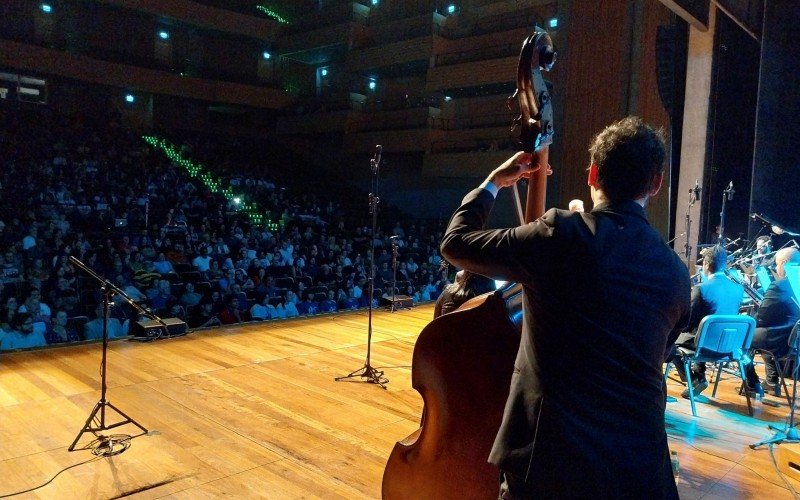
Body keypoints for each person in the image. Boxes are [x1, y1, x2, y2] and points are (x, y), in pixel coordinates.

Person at [440, 117, 690, 498]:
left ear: (592, 174)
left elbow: (456, 243)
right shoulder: (675, 273)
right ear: (655, 183)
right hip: (639, 471)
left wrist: (494, 181)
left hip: (551, 466)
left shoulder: (561, 234)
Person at [669, 245, 743, 397]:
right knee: (701, 332)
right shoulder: (738, 288)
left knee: (672, 343)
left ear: (707, 265)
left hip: (704, 344)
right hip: (728, 345)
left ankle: (696, 379)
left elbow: (687, 321)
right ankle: (699, 374)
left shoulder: (701, 288)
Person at [744, 247, 800, 396]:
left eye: (777, 264)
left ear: (785, 263)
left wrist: (749, 322)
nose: (775, 268)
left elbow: (762, 318)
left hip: (780, 339)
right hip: (793, 341)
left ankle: (752, 383)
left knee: (744, 336)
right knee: (760, 336)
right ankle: (771, 381)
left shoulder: (779, 285)